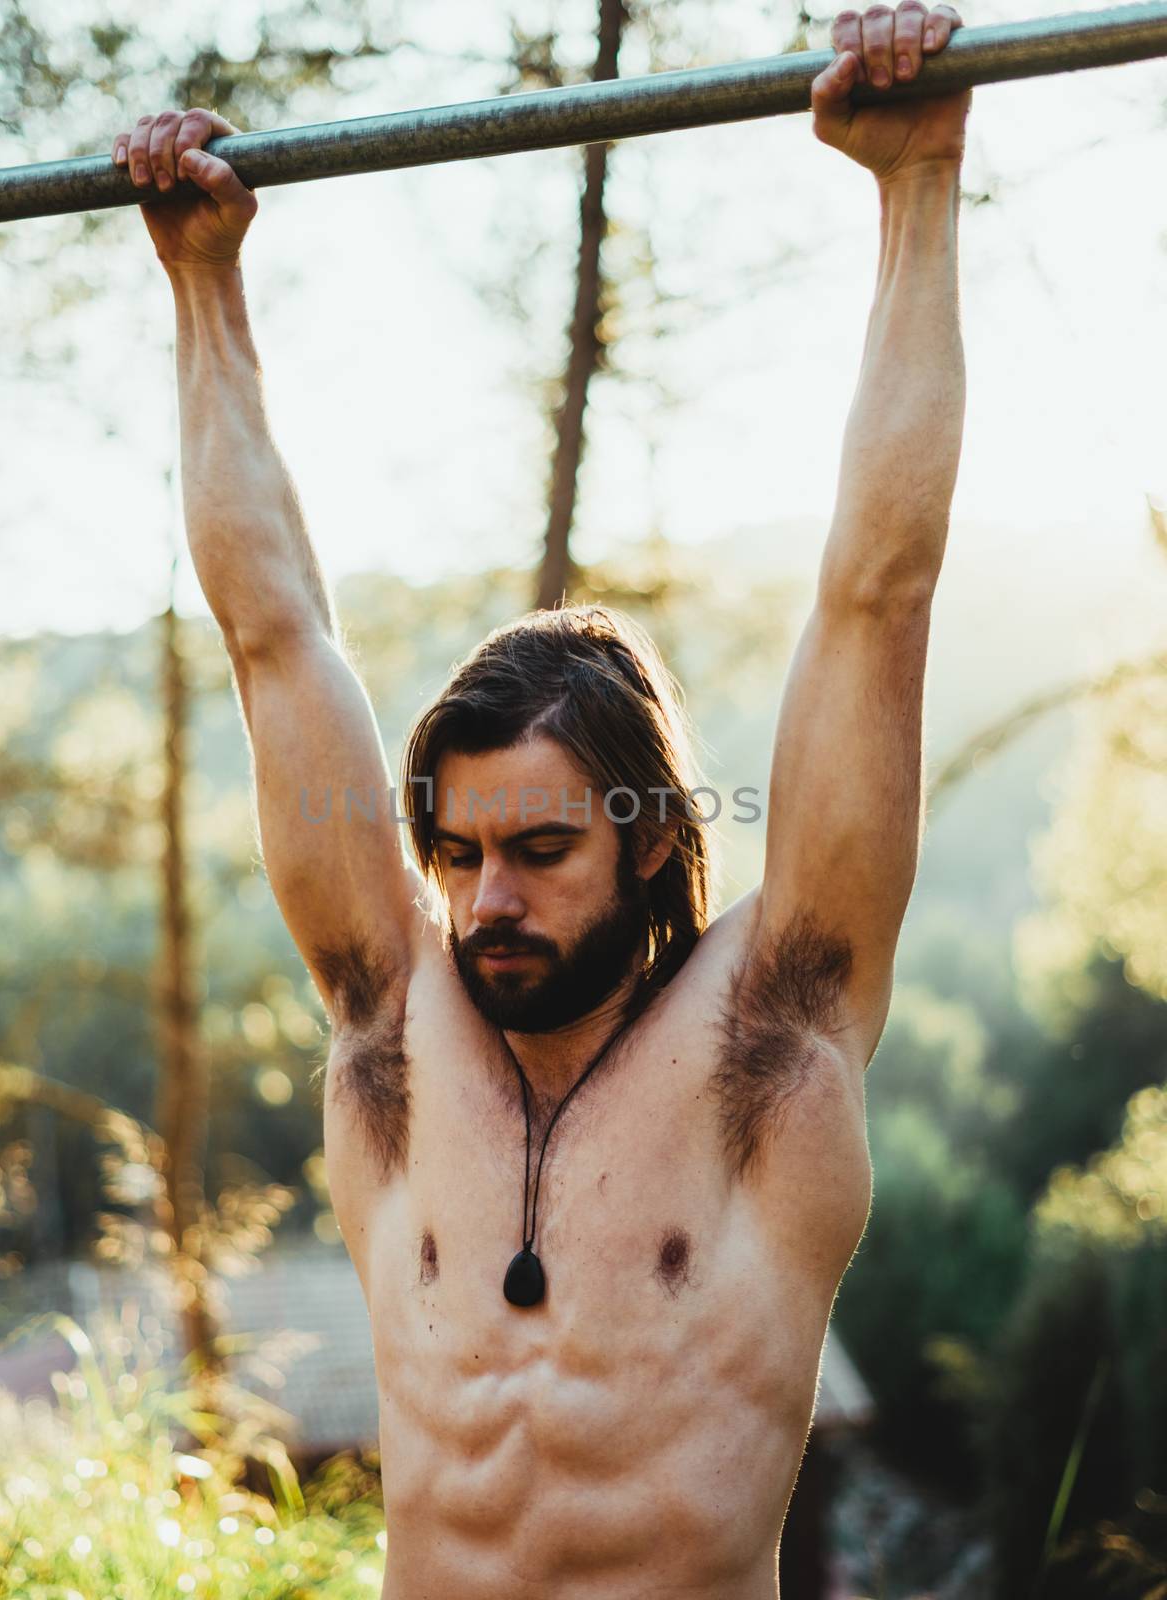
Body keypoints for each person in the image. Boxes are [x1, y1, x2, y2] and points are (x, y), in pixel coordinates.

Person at [113, 3, 969, 1592]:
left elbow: (878, 595)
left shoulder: (774, 1051)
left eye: (540, 849)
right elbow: (270, 632)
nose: (483, 897)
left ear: (650, 844)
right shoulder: (390, 1035)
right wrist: (203, 287)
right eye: (454, 852)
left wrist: (914, 190)